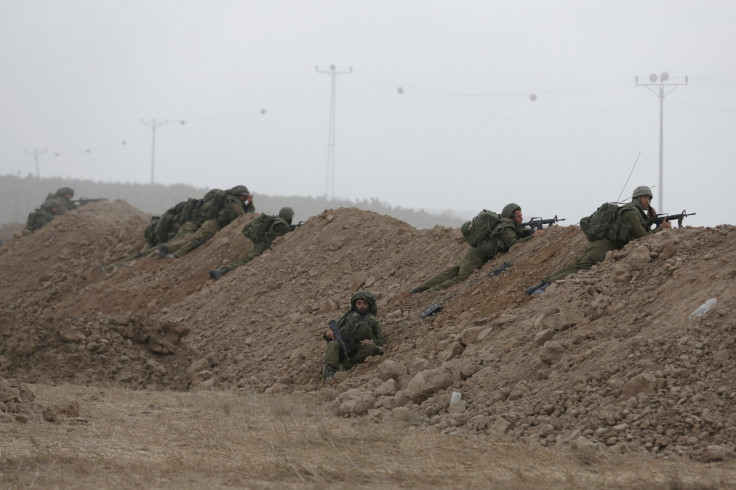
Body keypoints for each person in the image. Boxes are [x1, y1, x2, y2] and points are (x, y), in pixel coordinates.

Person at [525, 186, 671, 295]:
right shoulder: (630, 212)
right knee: (581, 268)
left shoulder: (633, 212)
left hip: (600, 245)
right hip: (603, 247)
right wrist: (661, 228)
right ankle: (543, 288)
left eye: (650, 198)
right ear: (638, 198)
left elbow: (635, 231)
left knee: (575, 266)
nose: (648, 201)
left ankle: (540, 285)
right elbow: (642, 236)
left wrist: (650, 220)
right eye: (645, 197)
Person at [411, 202, 537, 293]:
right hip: (475, 257)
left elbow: (516, 233)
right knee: (460, 278)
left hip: (472, 252)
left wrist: (528, 232)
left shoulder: (504, 224)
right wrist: (533, 236)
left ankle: (419, 289)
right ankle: (428, 292)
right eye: (519, 216)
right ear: (511, 216)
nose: (521, 219)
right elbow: (513, 244)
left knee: (451, 272)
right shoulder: (506, 227)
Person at [209, 207, 295, 280]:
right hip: (262, 247)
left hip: (261, 244)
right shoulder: (281, 225)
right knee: (245, 262)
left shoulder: (275, 220)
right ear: (289, 217)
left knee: (246, 261)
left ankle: (222, 271)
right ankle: (222, 271)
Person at [322, 291, 385, 382]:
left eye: (364, 303)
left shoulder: (372, 320)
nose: (362, 306)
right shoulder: (348, 316)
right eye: (359, 303)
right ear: (355, 304)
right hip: (343, 346)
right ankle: (329, 371)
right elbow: (333, 330)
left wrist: (370, 340)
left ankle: (348, 364)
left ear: (369, 305)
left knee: (372, 347)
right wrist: (327, 332)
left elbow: (380, 340)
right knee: (333, 344)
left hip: (358, 348)